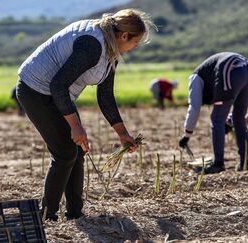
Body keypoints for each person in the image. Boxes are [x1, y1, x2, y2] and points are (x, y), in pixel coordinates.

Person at [16, 9, 155, 221]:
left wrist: (122, 134)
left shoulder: (112, 49)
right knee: (64, 153)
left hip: (59, 95)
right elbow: (58, 85)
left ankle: (75, 214)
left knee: (78, 151)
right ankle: (47, 214)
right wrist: (76, 126)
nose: (135, 47)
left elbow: (105, 95)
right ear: (124, 36)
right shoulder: (92, 45)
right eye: (135, 42)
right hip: (36, 91)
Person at [178, 52, 248, 174]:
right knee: (239, 120)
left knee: (217, 119)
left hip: (230, 69)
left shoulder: (194, 78)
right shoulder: (209, 74)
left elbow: (194, 108)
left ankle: (218, 163)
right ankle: (244, 163)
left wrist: (186, 135)